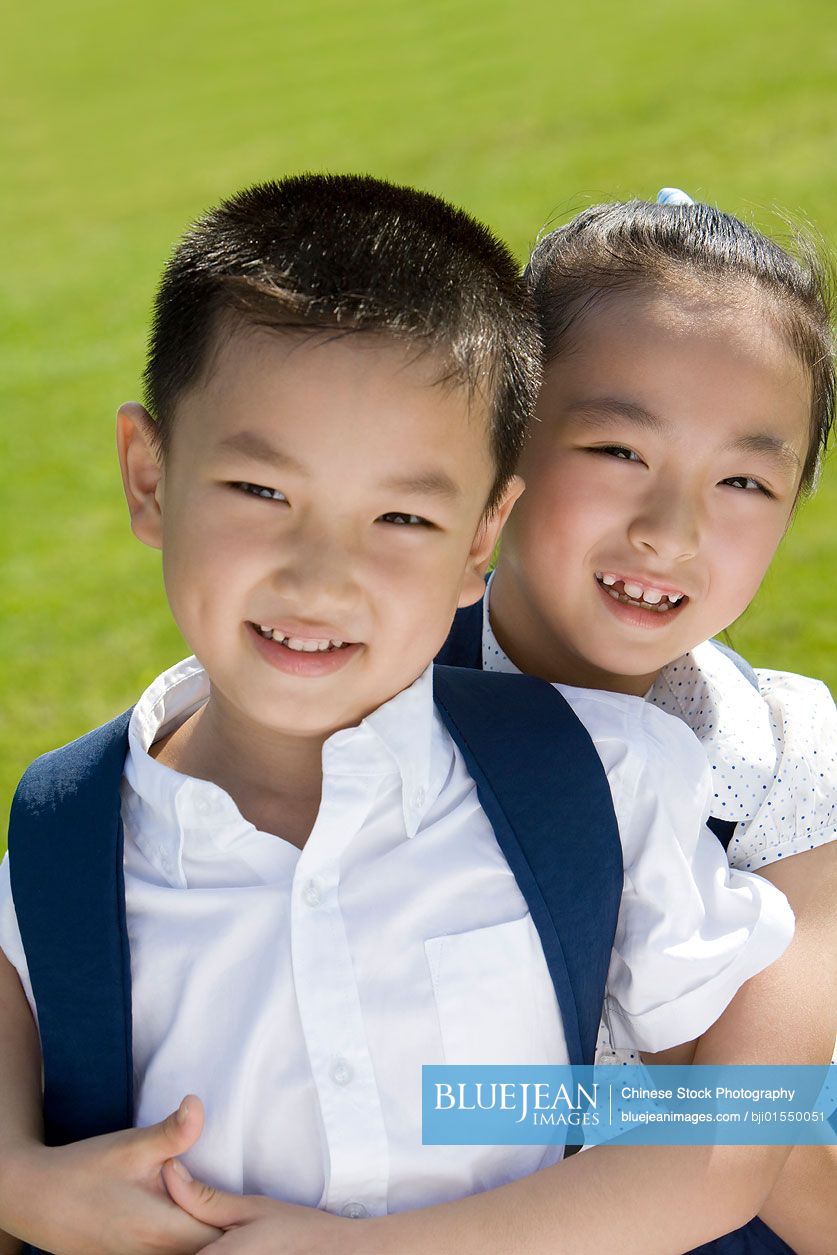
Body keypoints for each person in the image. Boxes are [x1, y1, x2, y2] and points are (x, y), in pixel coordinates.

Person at [0, 175, 795, 1255]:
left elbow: (732, 1139)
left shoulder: (609, 782)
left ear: (480, 536)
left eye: (403, 516)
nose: (321, 577)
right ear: (150, 475)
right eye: (261, 493)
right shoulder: (61, 846)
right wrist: (26, 1186)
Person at [434, 190, 837, 1253]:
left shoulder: (790, 749)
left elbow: (765, 1165)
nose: (672, 529)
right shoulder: (358, 682)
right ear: (501, 438)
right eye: (619, 450)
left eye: (747, 478)